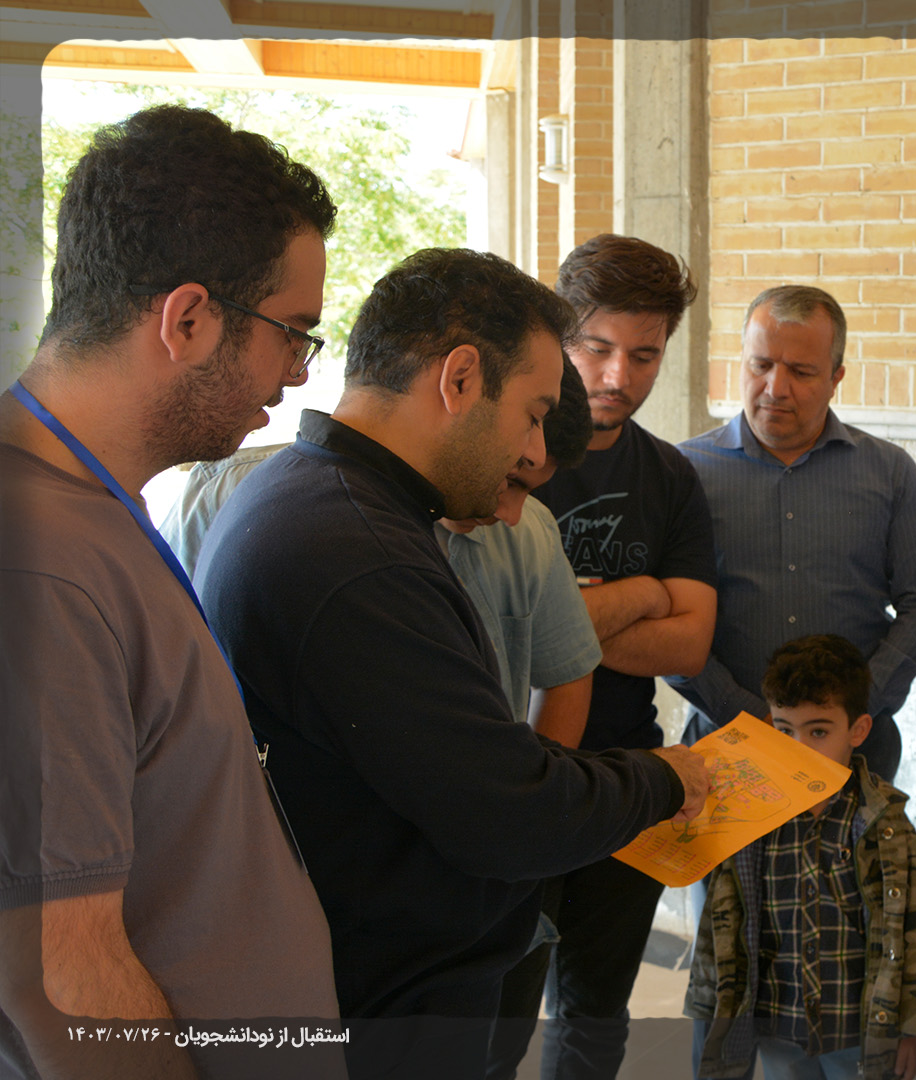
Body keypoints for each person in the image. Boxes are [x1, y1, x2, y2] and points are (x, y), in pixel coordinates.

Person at [196, 248, 711, 1079]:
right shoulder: (363, 556)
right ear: (461, 379)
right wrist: (663, 779)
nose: (532, 448)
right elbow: (509, 813)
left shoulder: (313, 494)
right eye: (532, 414)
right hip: (382, 1010)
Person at [0, 104, 343, 1080]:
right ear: (188, 320)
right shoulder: (38, 564)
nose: (297, 373)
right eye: (292, 332)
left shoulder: (87, 511)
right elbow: (58, 973)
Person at [491, 233, 719, 1080]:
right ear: (559, 335)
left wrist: (560, 620)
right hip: (513, 777)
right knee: (498, 1018)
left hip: (629, 777)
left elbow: (689, 642)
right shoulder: (506, 455)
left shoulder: (671, 477)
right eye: (596, 348)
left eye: (645, 354)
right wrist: (645, 592)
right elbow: (502, 634)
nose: (619, 375)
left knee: (595, 1018)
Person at [161, 360, 600, 735]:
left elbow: (566, 674)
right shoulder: (224, 492)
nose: (511, 514)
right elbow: (163, 668)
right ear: (457, 390)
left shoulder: (531, 533)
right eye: (511, 480)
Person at [672, 285, 916, 781]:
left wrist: (859, 703)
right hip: (725, 739)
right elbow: (665, 616)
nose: (775, 388)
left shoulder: (889, 473)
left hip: (858, 751)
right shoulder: (685, 473)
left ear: (835, 378)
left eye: (801, 372)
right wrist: (739, 709)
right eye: (760, 365)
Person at [687, 634, 916, 1080]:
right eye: (784, 731)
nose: (799, 748)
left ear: (858, 731)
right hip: (779, 1025)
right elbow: (721, 926)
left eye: (818, 732)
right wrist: (710, 1006)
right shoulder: (750, 821)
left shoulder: (884, 823)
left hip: (858, 1031)